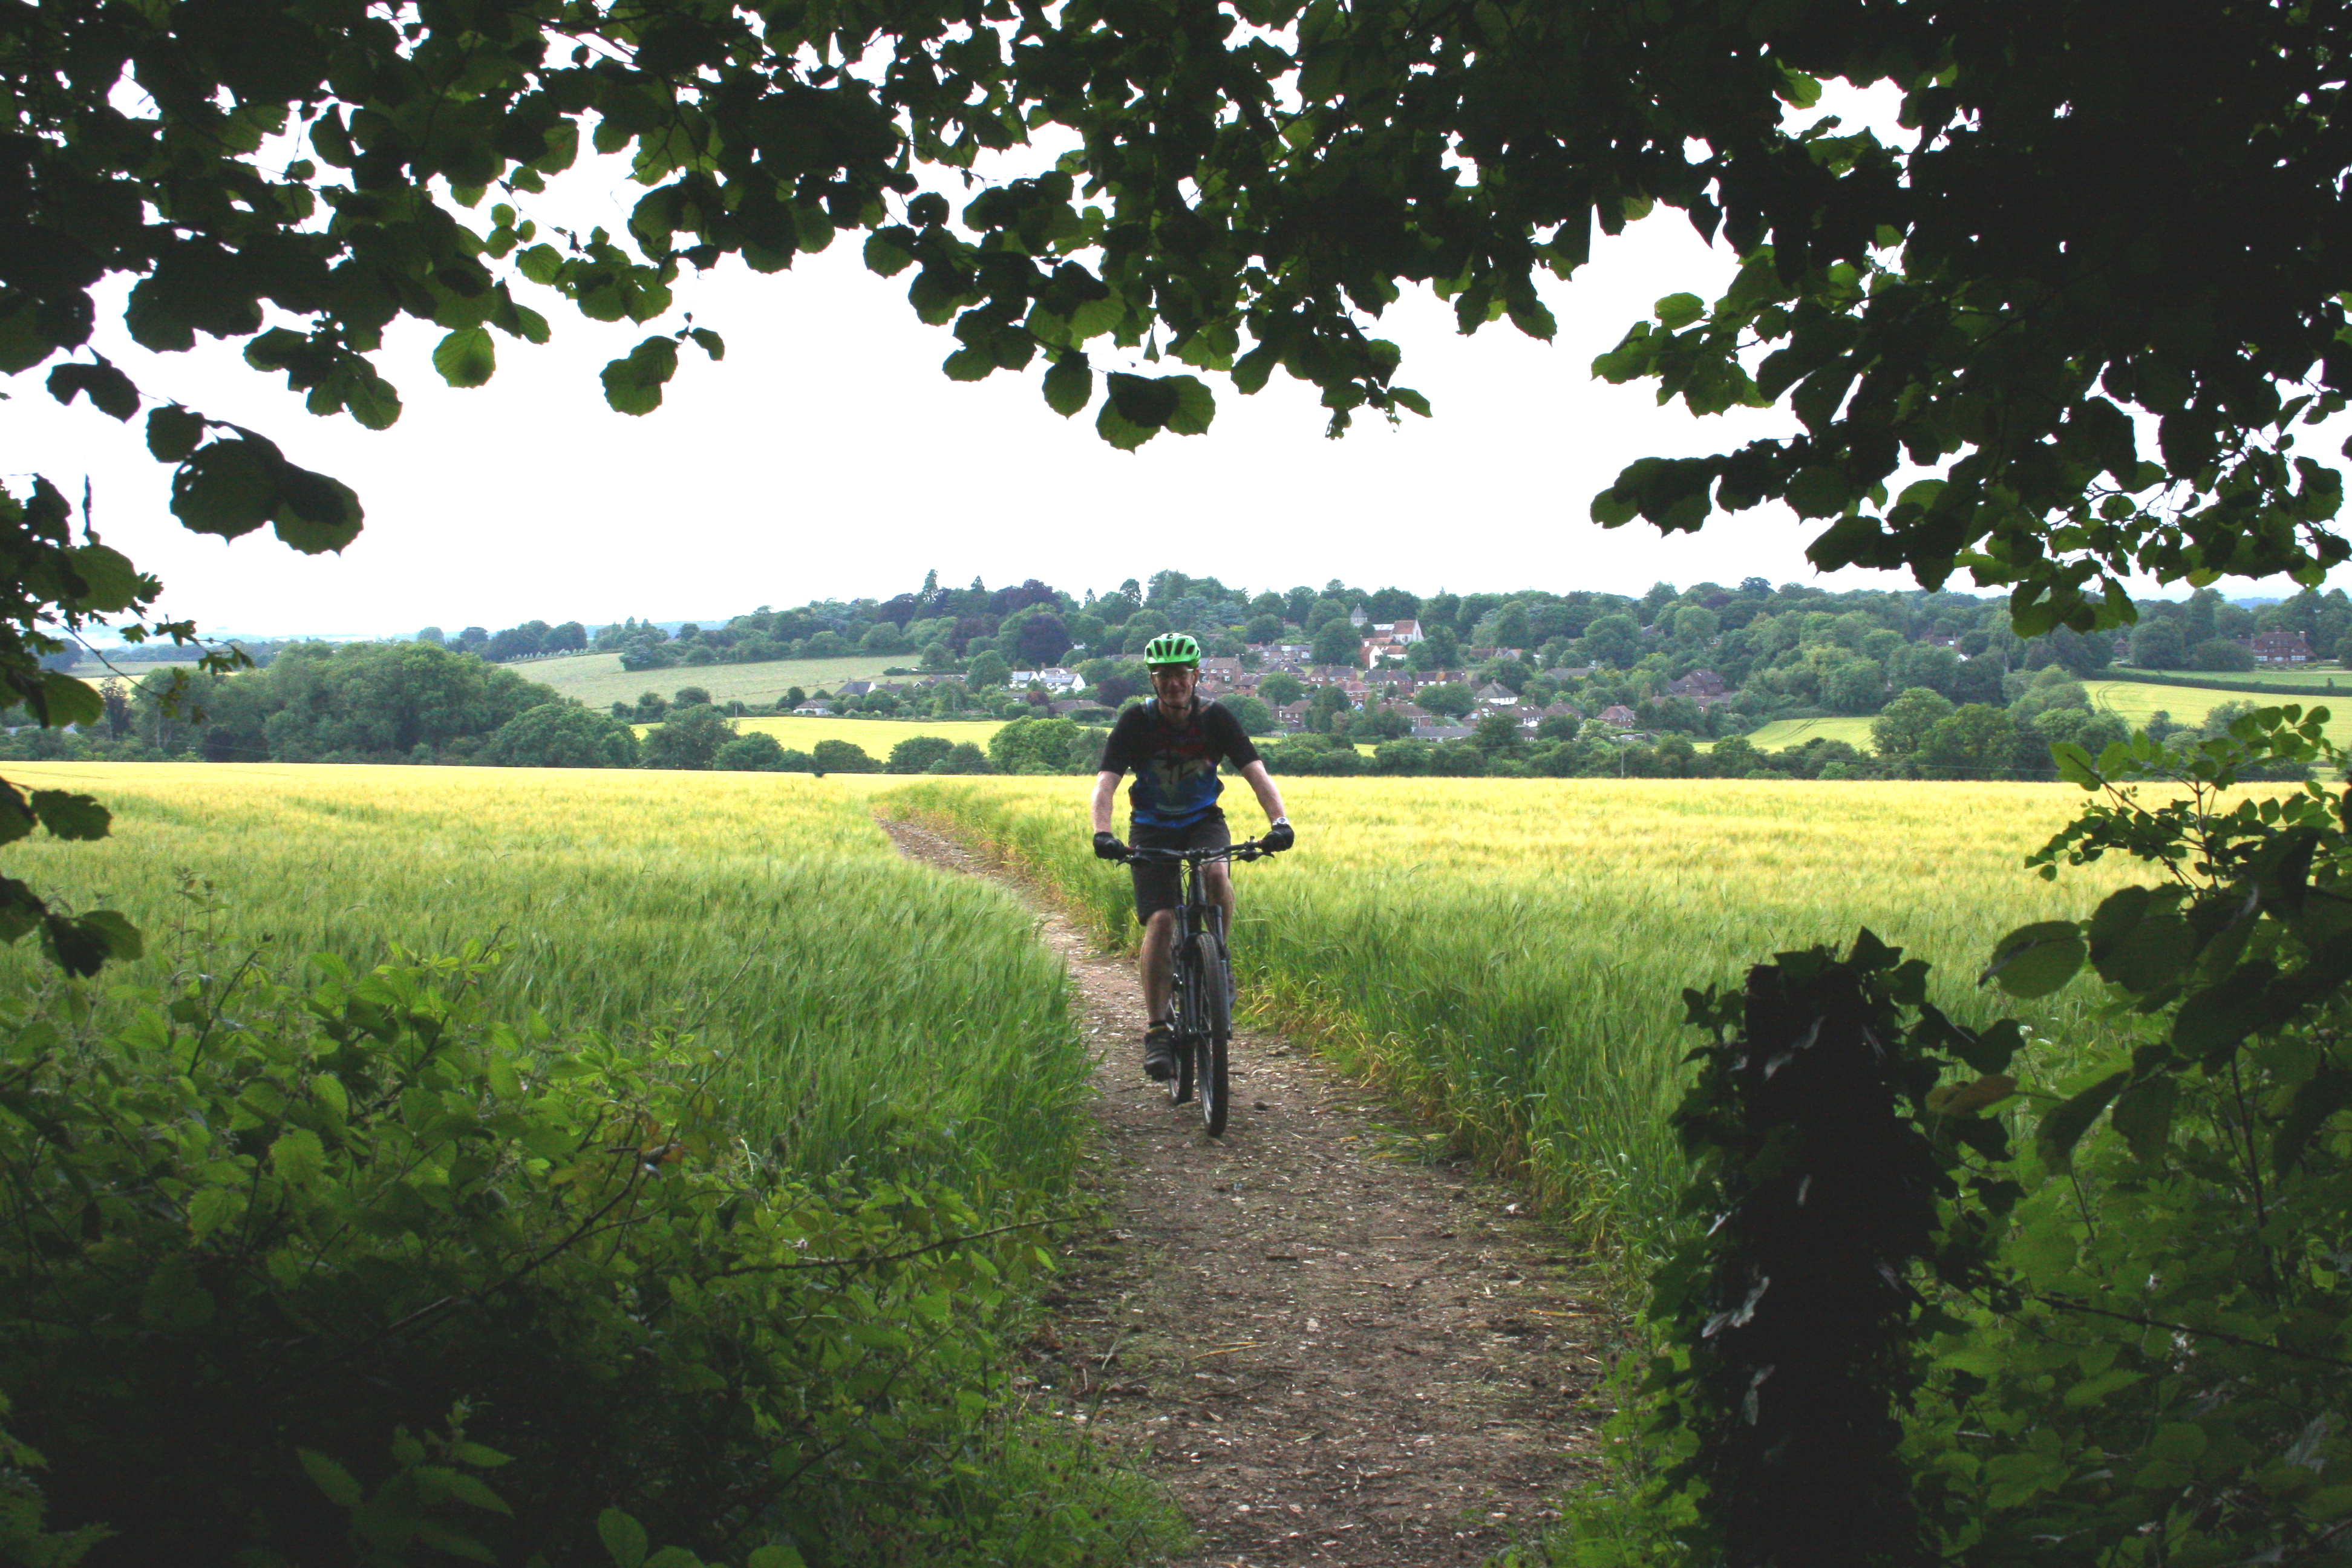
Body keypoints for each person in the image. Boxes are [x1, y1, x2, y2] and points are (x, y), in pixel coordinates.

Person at [1090, 632, 1294, 1081]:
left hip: (1203, 820)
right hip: (1151, 826)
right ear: (1154, 680)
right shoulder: (1135, 723)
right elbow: (1106, 783)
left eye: (1181, 675)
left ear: (1196, 676)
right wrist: (1102, 833)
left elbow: (1256, 773)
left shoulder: (1216, 718)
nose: (1173, 684)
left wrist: (1279, 822)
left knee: (1216, 874)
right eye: (1163, 676)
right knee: (1161, 921)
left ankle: (1219, 959)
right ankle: (1157, 1030)